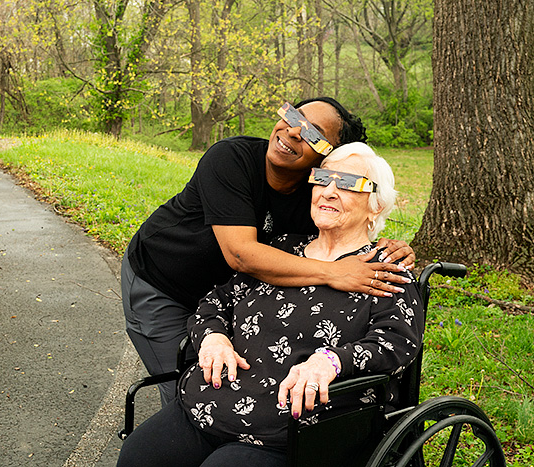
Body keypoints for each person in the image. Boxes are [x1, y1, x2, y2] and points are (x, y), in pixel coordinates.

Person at [117, 142, 423, 467]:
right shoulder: (283, 248)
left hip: (293, 427)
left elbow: (397, 341)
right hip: (212, 404)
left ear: (376, 205)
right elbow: (215, 303)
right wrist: (213, 338)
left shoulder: (385, 267)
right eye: (323, 178)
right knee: (139, 454)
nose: (329, 191)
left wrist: (332, 361)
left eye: (348, 183)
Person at [121, 98, 415, 405]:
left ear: (328, 157)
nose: (293, 132)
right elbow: (241, 255)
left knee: (233, 385)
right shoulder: (230, 158)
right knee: (189, 389)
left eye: (314, 134)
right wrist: (334, 272)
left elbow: (347, 224)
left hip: (223, 291)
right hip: (162, 282)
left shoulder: (317, 190)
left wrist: (387, 245)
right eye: (292, 116)